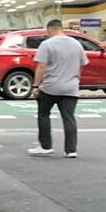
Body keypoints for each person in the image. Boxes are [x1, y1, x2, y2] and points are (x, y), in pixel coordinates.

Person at [28, 19, 87, 158]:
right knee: (69, 117)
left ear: (50, 29)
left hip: (50, 87)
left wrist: (36, 85)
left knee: (44, 115)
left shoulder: (46, 44)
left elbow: (41, 66)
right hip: (70, 87)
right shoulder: (76, 44)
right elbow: (82, 64)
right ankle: (71, 150)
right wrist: (76, 79)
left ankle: (45, 146)